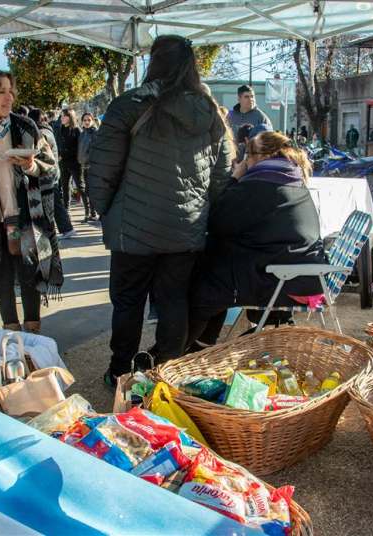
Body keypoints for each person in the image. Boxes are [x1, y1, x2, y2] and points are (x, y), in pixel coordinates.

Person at [87, 34, 232, 386]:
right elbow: (222, 172)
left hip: (132, 228)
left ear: (154, 62)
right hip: (186, 228)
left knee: (128, 301)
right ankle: (167, 370)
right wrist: (204, 213)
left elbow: (101, 167)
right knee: (173, 299)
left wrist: (106, 211)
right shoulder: (208, 110)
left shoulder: (128, 104)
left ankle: (120, 370)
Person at [187, 131, 327, 349]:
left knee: (207, 287)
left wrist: (235, 176)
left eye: (247, 154)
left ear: (262, 156)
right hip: (301, 273)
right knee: (216, 271)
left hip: (284, 279)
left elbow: (218, 220)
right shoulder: (290, 175)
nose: (245, 159)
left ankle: (181, 351)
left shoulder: (261, 183)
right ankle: (201, 344)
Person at [0, 70, 63, 333]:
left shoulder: (25, 127)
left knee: (31, 273)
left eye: (10, 91)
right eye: (0, 92)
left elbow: (51, 170)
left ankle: (33, 333)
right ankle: (12, 335)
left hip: (29, 216)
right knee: (2, 277)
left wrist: (32, 165)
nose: (8, 97)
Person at [28, 107, 75, 238]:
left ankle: (66, 229)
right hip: (53, 172)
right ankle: (66, 229)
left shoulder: (41, 133)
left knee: (53, 204)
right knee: (55, 202)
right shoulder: (48, 130)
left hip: (46, 174)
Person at [56, 109, 82, 210]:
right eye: (61, 116)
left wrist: (64, 154)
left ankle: (90, 211)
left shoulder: (77, 130)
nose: (61, 118)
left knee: (80, 186)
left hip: (75, 163)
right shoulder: (60, 129)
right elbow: (59, 144)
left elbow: (78, 148)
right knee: (64, 186)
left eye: (64, 116)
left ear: (70, 117)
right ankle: (66, 209)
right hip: (63, 163)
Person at [77, 112, 99, 222]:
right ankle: (92, 213)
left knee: (92, 190)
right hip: (83, 165)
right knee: (88, 190)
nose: (86, 122)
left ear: (92, 121)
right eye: (85, 120)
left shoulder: (95, 133)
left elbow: (95, 150)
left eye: (89, 120)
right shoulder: (82, 133)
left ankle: (94, 213)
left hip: (92, 165)